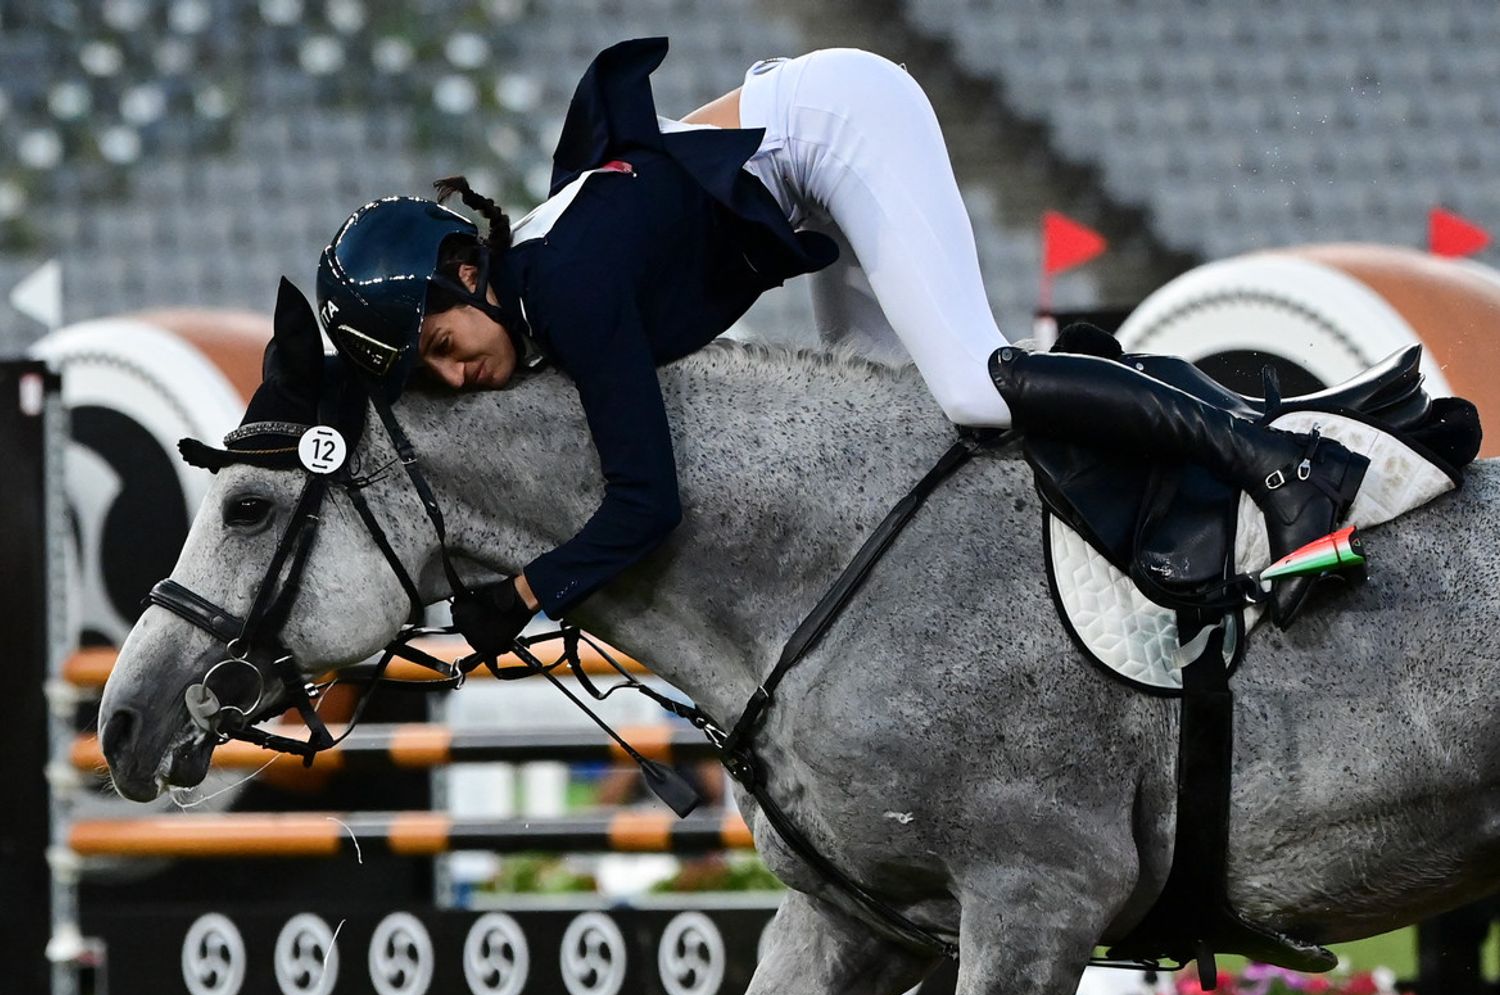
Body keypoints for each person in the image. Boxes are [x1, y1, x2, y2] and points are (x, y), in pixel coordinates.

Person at [315, 37, 1366, 655]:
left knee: (973, 394)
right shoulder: (527, 292)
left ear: (466, 274)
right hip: (805, 184)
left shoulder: (569, 288)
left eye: (444, 347)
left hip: (840, 125)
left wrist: (527, 594)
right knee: (889, 450)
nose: (458, 377)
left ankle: (1281, 461)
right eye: (433, 378)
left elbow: (648, 504)